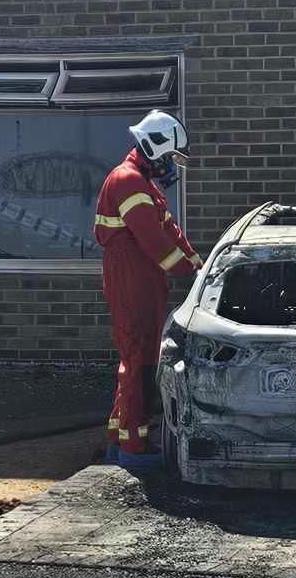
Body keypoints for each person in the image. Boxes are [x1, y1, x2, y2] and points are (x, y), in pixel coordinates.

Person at [94, 109, 203, 457]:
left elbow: (170, 230)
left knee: (143, 353)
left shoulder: (143, 185)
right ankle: (133, 443)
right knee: (137, 355)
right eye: (170, 156)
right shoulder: (128, 182)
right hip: (131, 275)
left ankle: (121, 429)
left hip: (144, 275)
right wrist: (185, 271)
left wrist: (199, 264)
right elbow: (153, 241)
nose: (172, 164)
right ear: (154, 147)